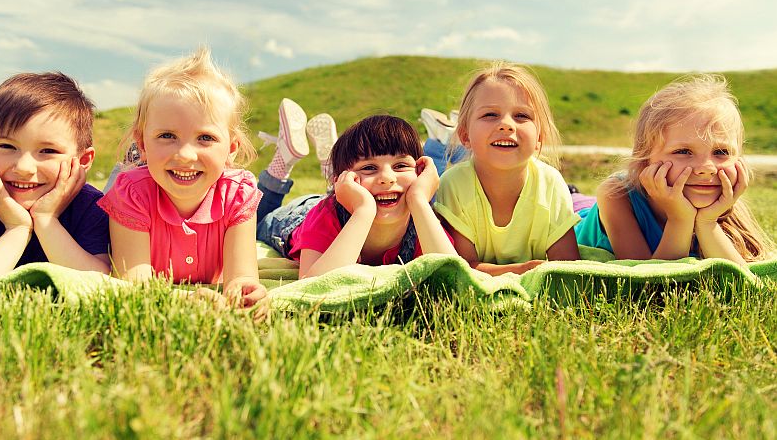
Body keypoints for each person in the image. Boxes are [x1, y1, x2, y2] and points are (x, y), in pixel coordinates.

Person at [99, 47, 267, 310]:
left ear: (231, 149)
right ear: (142, 142)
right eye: (167, 136)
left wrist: (247, 295)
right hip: (138, 180)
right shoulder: (131, 193)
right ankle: (134, 161)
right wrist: (186, 301)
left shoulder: (238, 194)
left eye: (206, 138)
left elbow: (242, 276)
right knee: (127, 177)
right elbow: (133, 286)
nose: (186, 155)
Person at [0, 72, 111, 301]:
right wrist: (16, 229)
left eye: (48, 151)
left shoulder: (92, 208)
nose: (24, 167)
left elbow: (100, 289)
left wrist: (46, 221)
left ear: (83, 161)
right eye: (7, 146)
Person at [575, 74, 775, 262]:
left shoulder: (724, 203)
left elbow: (740, 281)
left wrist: (707, 222)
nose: (707, 169)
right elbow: (648, 286)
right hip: (575, 211)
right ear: (645, 160)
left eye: (721, 152)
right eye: (683, 151)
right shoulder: (616, 195)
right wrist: (680, 219)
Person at [256, 100, 457, 279]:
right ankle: (281, 163)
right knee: (255, 220)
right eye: (369, 167)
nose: (387, 178)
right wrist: (363, 211)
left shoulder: (421, 218)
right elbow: (313, 285)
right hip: (299, 215)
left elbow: (454, 276)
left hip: (348, 194)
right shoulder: (326, 216)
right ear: (345, 181)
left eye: (400, 166)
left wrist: (420, 201)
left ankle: (331, 165)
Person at [434, 61, 581, 275]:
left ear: (539, 138)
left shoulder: (550, 182)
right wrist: (522, 269)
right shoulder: (454, 184)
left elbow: (568, 267)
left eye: (521, 116)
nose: (506, 124)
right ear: (465, 135)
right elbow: (462, 268)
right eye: (490, 115)